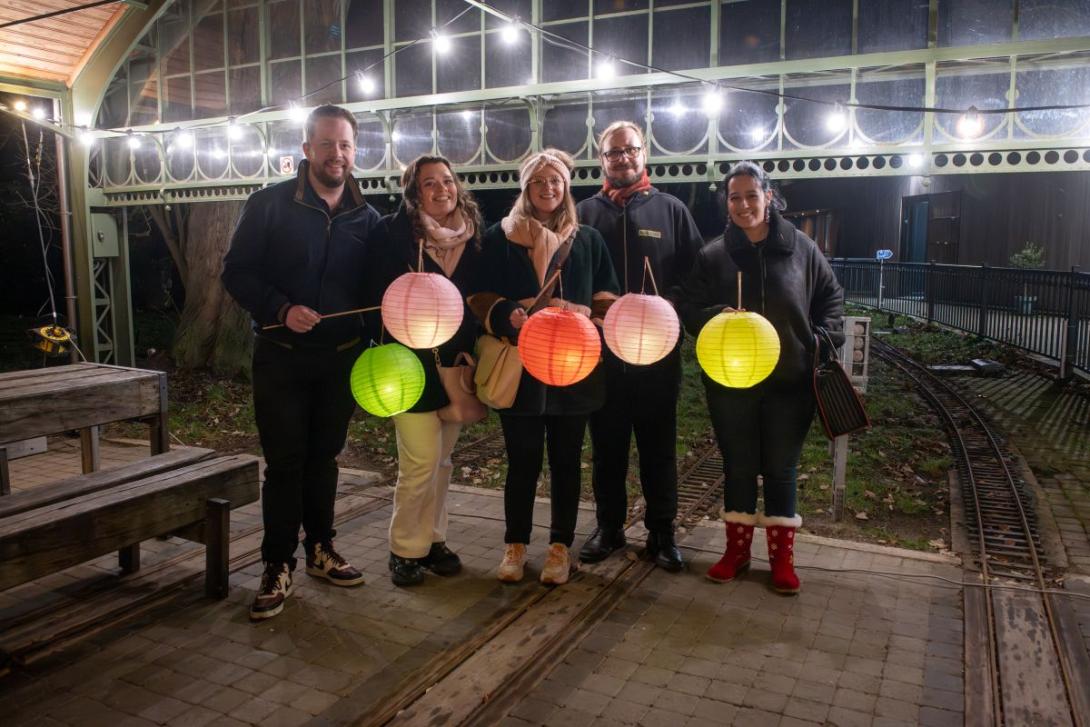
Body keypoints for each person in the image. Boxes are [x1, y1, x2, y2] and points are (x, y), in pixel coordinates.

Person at [222, 104, 379, 620]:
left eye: (346, 145)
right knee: (286, 465)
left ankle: (321, 549)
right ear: (307, 149)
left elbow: (378, 288)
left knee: (324, 460)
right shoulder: (269, 204)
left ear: (355, 152)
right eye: (328, 144)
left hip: (340, 361)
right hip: (281, 358)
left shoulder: (368, 216)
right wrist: (281, 309)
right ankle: (275, 564)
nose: (338, 154)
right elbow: (237, 273)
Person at [678, 161, 844, 594]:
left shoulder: (801, 248)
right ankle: (736, 553)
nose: (744, 204)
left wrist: (820, 339)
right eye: (735, 197)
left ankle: (781, 561)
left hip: (791, 382)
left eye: (752, 195)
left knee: (780, 469)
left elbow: (831, 297)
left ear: (769, 197)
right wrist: (717, 318)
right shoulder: (714, 254)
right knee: (738, 466)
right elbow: (690, 309)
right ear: (726, 203)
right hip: (731, 382)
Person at [470, 149, 619, 586]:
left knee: (567, 462)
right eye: (538, 181)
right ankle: (514, 544)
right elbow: (478, 295)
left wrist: (588, 316)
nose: (548, 188)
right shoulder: (500, 237)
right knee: (522, 462)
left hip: (574, 367)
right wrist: (504, 313)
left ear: (566, 187)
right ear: (526, 188)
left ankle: (559, 546)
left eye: (555, 181)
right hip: (520, 367)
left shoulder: (587, 238)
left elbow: (606, 294)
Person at [576, 121, 703, 572]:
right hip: (602, 355)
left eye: (630, 150)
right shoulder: (585, 213)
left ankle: (662, 532)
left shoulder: (671, 210)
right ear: (602, 159)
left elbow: (694, 275)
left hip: (657, 354)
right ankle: (608, 527)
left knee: (657, 446)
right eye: (613, 153)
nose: (622, 159)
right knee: (607, 445)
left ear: (644, 153)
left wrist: (672, 307)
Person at [367, 155, 483, 587]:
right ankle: (405, 548)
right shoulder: (391, 233)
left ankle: (434, 539)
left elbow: (479, 296)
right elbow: (373, 295)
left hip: (455, 363)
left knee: (443, 461)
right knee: (419, 461)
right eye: (429, 183)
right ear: (414, 191)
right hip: (407, 364)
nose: (442, 190)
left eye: (447, 181)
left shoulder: (472, 236)